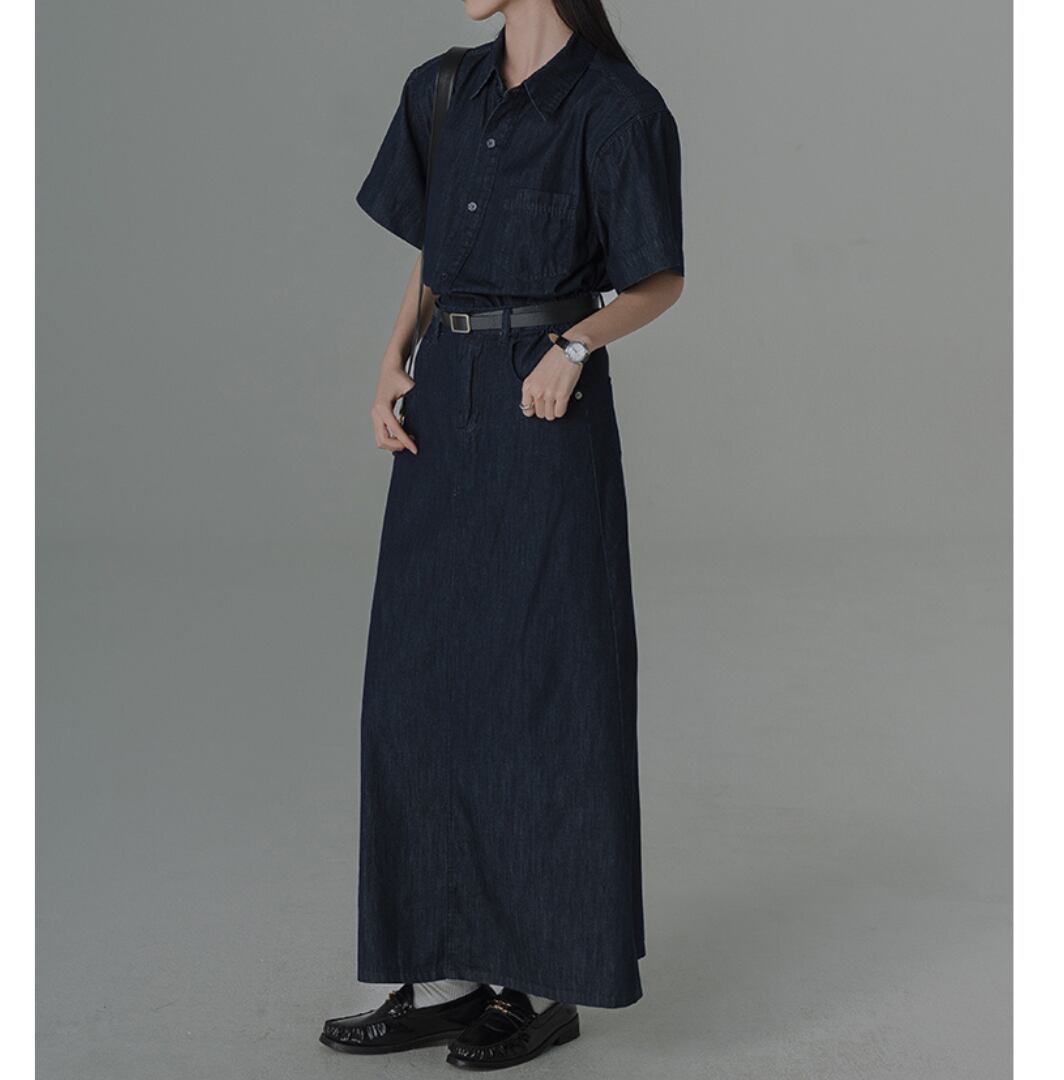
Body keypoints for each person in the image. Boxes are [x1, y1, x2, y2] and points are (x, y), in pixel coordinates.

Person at [320, 0, 684, 1069]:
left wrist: (574, 347)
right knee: (420, 685)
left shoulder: (618, 109)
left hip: (543, 411)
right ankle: (441, 975)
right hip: (443, 404)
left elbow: (660, 275)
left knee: (542, 687)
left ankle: (539, 983)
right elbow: (435, 254)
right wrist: (392, 359)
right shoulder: (442, 88)